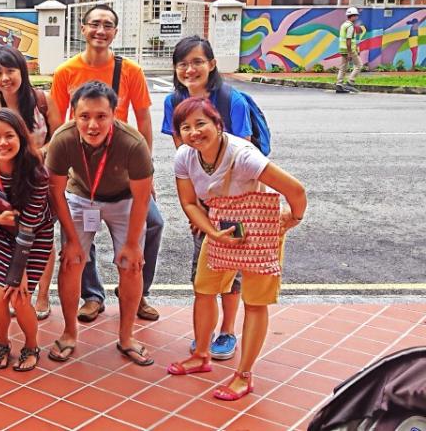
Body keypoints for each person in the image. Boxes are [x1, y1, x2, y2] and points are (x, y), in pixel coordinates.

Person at [167, 97, 306, 401]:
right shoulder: (185, 156)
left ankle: (244, 375)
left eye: (201, 123)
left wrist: (292, 219)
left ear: (218, 125)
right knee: (204, 290)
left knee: (254, 302)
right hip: (220, 226)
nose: (194, 132)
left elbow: (295, 190)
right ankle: (201, 355)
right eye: (186, 127)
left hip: (259, 227)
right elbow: (189, 202)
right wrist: (213, 233)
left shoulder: (244, 156)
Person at [50, 4, 164, 323]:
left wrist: (146, 172)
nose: (101, 31)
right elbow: (58, 123)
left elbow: (143, 119)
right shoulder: (65, 73)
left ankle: (137, 292)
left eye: (108, 25)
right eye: (95, 24)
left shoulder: (130, 71)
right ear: (83, 29)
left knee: (153, 223)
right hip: (82, 172)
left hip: (123, 167)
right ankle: (92, 295)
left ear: (115, 32)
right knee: (80, 233)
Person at [45, 81, 154, 366]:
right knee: (71, 262)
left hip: (124, 201)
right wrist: (70, 240)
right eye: (84, 117)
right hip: (82, 197)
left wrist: (132, 245)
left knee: (131, 266)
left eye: (101, 116)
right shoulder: (63, 138)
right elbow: (55, 191)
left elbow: (143, 199)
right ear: (74, 115)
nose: (92, 125)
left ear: (113, 114)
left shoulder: (133, 143)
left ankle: (127, 336)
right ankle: (69, 333)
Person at [161, 35, 253, 361]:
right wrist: (197, 209)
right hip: (203, 203)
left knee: (232, 270)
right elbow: (185, 157)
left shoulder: (232, 101)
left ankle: (227, 330)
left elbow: (243, 156)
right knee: (204, 270)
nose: (190, 69)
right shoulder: (173, 102)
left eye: (198, 61)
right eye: (183, 63)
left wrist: (222, 206)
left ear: (212, 64)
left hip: (238, 201)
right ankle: (206, 332)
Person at [0, 45, 62, 320]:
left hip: (41, 182)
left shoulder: (42, 100)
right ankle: (16, 288)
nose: (4, 78)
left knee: (43, 237)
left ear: (22, 71)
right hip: (6, 187)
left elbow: (59, 139)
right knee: (12, 235)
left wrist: (39, 153)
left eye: (10, 71)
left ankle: (42, 294)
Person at [0, 109, 53, 372]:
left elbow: (29, 226)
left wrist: (20, 272)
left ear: (21, 137)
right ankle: (2, 343)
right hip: (1, 232)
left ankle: (31, 345)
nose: (2, 142)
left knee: (20, 296)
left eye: (9, 136)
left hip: (35, 236)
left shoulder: (37, 173)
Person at [337, 7, 362, 94]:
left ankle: (339, 85)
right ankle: (350, 82)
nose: (357, 18)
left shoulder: (344, 25)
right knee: (359, 65)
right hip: (349, 49)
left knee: (343, 67)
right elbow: (349, 40)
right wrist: (350, 53)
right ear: (353, 16)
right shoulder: (350, 26)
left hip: (342, 48)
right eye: (356, 16)